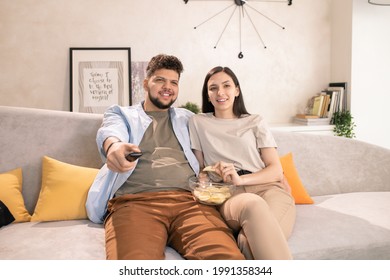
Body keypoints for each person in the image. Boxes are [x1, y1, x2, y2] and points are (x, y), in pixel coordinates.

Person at [85, 55, 245, 260]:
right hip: (135, 203)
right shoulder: (122, 114)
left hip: (191, 202)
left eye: (173, 82)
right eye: (160, 80)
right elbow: (110, 132)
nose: (167, 87)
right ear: (146, 83)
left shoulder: (188, 118)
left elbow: (225, 137)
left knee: (228, 261)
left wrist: (271, 170)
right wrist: (114, 147)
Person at [189, 66, 296, 260]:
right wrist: (212, 175)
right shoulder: (198, 122)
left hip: (269, 189)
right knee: (253, 205)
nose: (220, 92)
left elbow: (275, 170)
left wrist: (241, 180)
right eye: (213, 88)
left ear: (237, 90)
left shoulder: (255, 121)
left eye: (226, 86)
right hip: (230, 194)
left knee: (248, 242)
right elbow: (199, 172)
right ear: (208, 94)